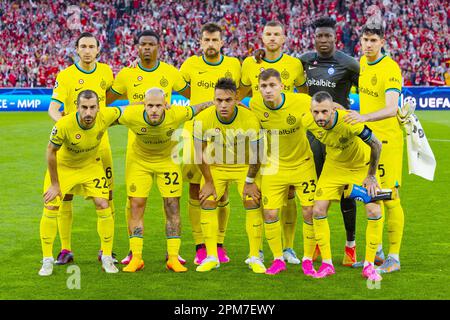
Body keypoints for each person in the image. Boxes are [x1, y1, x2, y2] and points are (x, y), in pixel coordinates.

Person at [106, 29, 190, 265]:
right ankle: (134, 251)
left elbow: (192, 94)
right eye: (142, 44)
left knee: (171, 201)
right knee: (134, 201)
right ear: (136, 47)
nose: (146, 48)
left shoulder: (170, 72)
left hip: (166, 144)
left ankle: (173, 251)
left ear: (158, 46)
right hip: (137, 146)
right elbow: (106, 99)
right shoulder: (126, 74)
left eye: (151, 44)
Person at [118, 88, 211, 273]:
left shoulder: (176, 113)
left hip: (168, 162)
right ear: (144, 105)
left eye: (158, 105)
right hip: (140, 162)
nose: (154, 110)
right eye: (150, 105)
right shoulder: (131, 114)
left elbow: (199, 107)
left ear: (166, 105)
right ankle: (136, 258)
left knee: (172, 206)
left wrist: (226, 103)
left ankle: (173, 258)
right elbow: (104, 116)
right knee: (136, 205)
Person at [238, 20, 308, 265]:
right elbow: (240, 96)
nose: (272, 38)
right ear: (262, 36)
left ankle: (288, 249)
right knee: (254, 197)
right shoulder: (249, 63)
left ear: (284, 38)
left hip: (288, 143)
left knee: (289, 196)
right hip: (260, 145)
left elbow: (305, 95)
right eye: (268, 34)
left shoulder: (295, 64)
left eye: (277, 34)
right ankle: (255, 251)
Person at [299, 17, 366, 266]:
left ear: (335, 37)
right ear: (314, 38)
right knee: (319, 192)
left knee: (348, 193)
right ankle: (318, 243)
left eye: (328, 36)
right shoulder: (304, 61)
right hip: (315, 136)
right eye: (319, 36)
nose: (324, 40)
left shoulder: (349, 64)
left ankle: (350, 245)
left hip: (343, 134)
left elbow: (368, 92)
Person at [48, 32, 116, 265]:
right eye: (83, 46)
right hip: (72, 145)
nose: (87, 50)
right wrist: (64, 126)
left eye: (91, 46)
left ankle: (105, 250)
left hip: (100, 145)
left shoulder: (106, 72)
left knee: (107, 195)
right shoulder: (66, 76)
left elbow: (110, 100)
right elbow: (53, 108)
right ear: (77, 50)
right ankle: (65, 249)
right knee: (64, 195)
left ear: (98, 50)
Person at [39, 90, 121, 276]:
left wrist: (155, 104)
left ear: (99, 108)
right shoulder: (64, 124)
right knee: (51, 206)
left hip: (90, 166)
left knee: (103, 203)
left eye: (92, 108)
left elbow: (128, 111)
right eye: (84, 107)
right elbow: (50, 152)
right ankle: (47, 259)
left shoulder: (106, 116)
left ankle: (107, 256)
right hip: (64, 167)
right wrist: (54, 184)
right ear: (77, 107)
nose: (88, 113)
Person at [303, 91, 383, 281]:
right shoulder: (307, 121)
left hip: (360, 168)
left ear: (333, 110)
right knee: (318, 210)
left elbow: (377, 144)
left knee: (374, 211)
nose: (320, 117)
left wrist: (371, 176)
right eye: (316, 112)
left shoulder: (349, 121)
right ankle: (327, 264)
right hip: (333, 168)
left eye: (324, 112)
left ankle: (369, 266)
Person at [345, 22, 405, 274]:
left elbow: (392, 107)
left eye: (373, 40)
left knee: (388, 197)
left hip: (387, 141)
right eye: (365, 39)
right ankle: (376, 253)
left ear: (382, 42)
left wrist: (363, 118)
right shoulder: (362, 62)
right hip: (368, 139)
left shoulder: (390, 68)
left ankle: (394, 256)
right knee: (369, 197)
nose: (368, 44)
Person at [179, 22, 241, 266]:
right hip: (194, 131)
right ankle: (201, 246)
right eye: (207, 40)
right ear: (201, 42)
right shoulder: (190, 65)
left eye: (215, 40)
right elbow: (181, 87)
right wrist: (201, 105)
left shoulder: (233, 65)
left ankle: (220, 243)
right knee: (197, 188)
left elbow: (243, 86)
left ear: (222, 42)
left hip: (224, 135)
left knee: (221, 188)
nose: (211, 44)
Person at [249, 69, 317, 275]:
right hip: (274, 167)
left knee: (309, 211)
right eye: (263, 86)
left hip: (303, 164)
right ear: (259, 88)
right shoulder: (255, 105)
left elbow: (327, 107)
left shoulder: (302, 101)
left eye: (272, 85)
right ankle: (278, 259)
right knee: (269, 213)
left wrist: (352, 116)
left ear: (281, 86)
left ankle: (307, 258)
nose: (268, 90)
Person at [193, 78, 265, 273]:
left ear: (237, 99)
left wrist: (250, 182)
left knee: (252, 200)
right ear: (213, 100)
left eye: (228, 100)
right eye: (219, 100)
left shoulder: (249, 118)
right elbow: (199, 153)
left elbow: (258, 154)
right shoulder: (203, 118)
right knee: (207, 199)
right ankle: (211, 257)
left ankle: (254, 256)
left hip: (244, 166)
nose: (223, 105)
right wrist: (208, 181)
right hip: (216, 167)